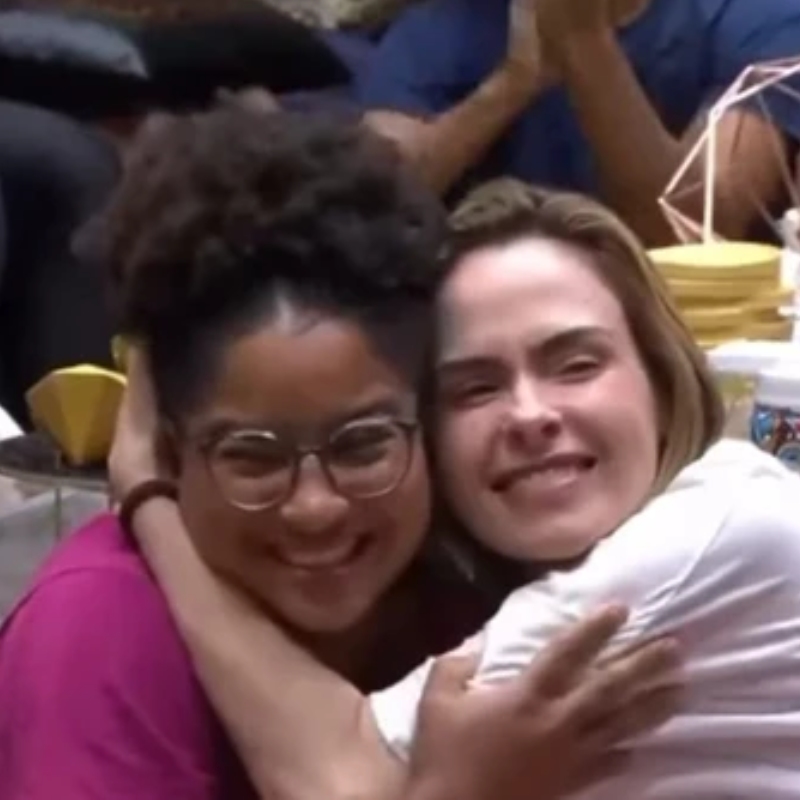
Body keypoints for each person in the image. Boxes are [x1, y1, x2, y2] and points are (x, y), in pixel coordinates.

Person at [0, 108, 678, 800]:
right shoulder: (97, 628)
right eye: (254, 459)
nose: (315, 506)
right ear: (171, 453)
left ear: (426, 424)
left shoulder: (462, 582)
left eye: (363, 445)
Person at [118, 179, 800, 798]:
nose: (530, 415)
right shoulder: (476, 590)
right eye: (475, 387)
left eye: (575, 364)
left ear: (662, 383)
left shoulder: (713, 533)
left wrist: (148, 495)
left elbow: (342, 783)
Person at [355, 0, 800, 244]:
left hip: (695, 334)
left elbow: (692, 230)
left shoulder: (758, 17)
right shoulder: (444, 25)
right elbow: (369, 211)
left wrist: (583, 42)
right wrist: (511, 84)